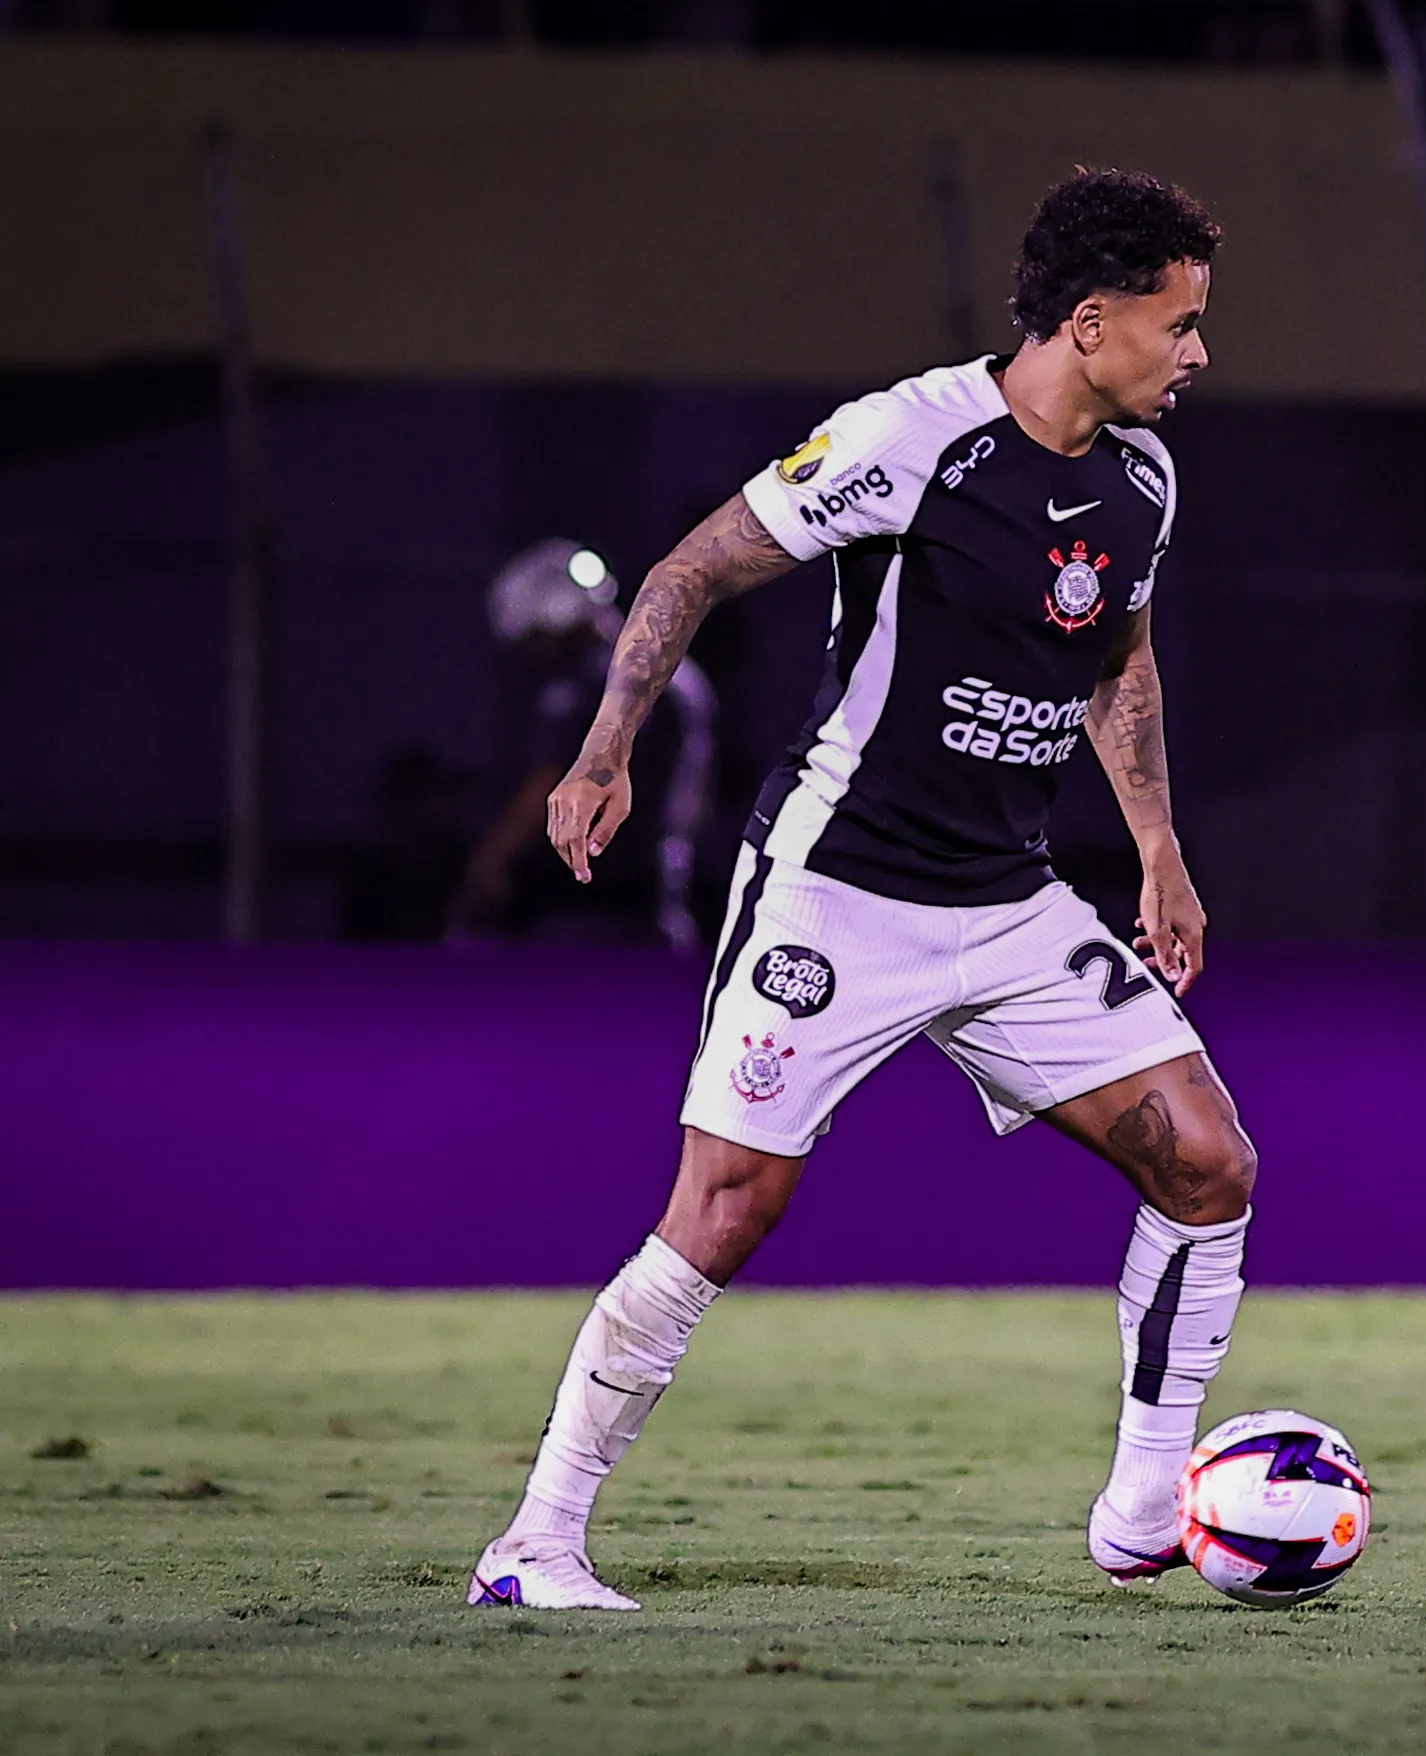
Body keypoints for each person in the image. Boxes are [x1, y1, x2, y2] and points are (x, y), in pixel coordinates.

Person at [468, 168, 1254, 1611]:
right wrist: (603, 755)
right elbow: (690, 568)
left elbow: (1117, 661)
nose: (1199, 351)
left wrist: (1157, 848)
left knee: (1208, 1166)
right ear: (1092, 322)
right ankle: (533, 1547)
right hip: (838, 889)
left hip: (1010, 903)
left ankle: (1145, 1510)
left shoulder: (1142, 477)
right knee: (724, 1211)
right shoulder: (912, 437)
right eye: (1181, 321)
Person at [454, 539, 717, 950]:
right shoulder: (680, 673)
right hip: (664, 895)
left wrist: (491, 861)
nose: (533, 656)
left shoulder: (593, 684)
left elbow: (549, 782)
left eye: (535, 638)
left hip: (593, 905)